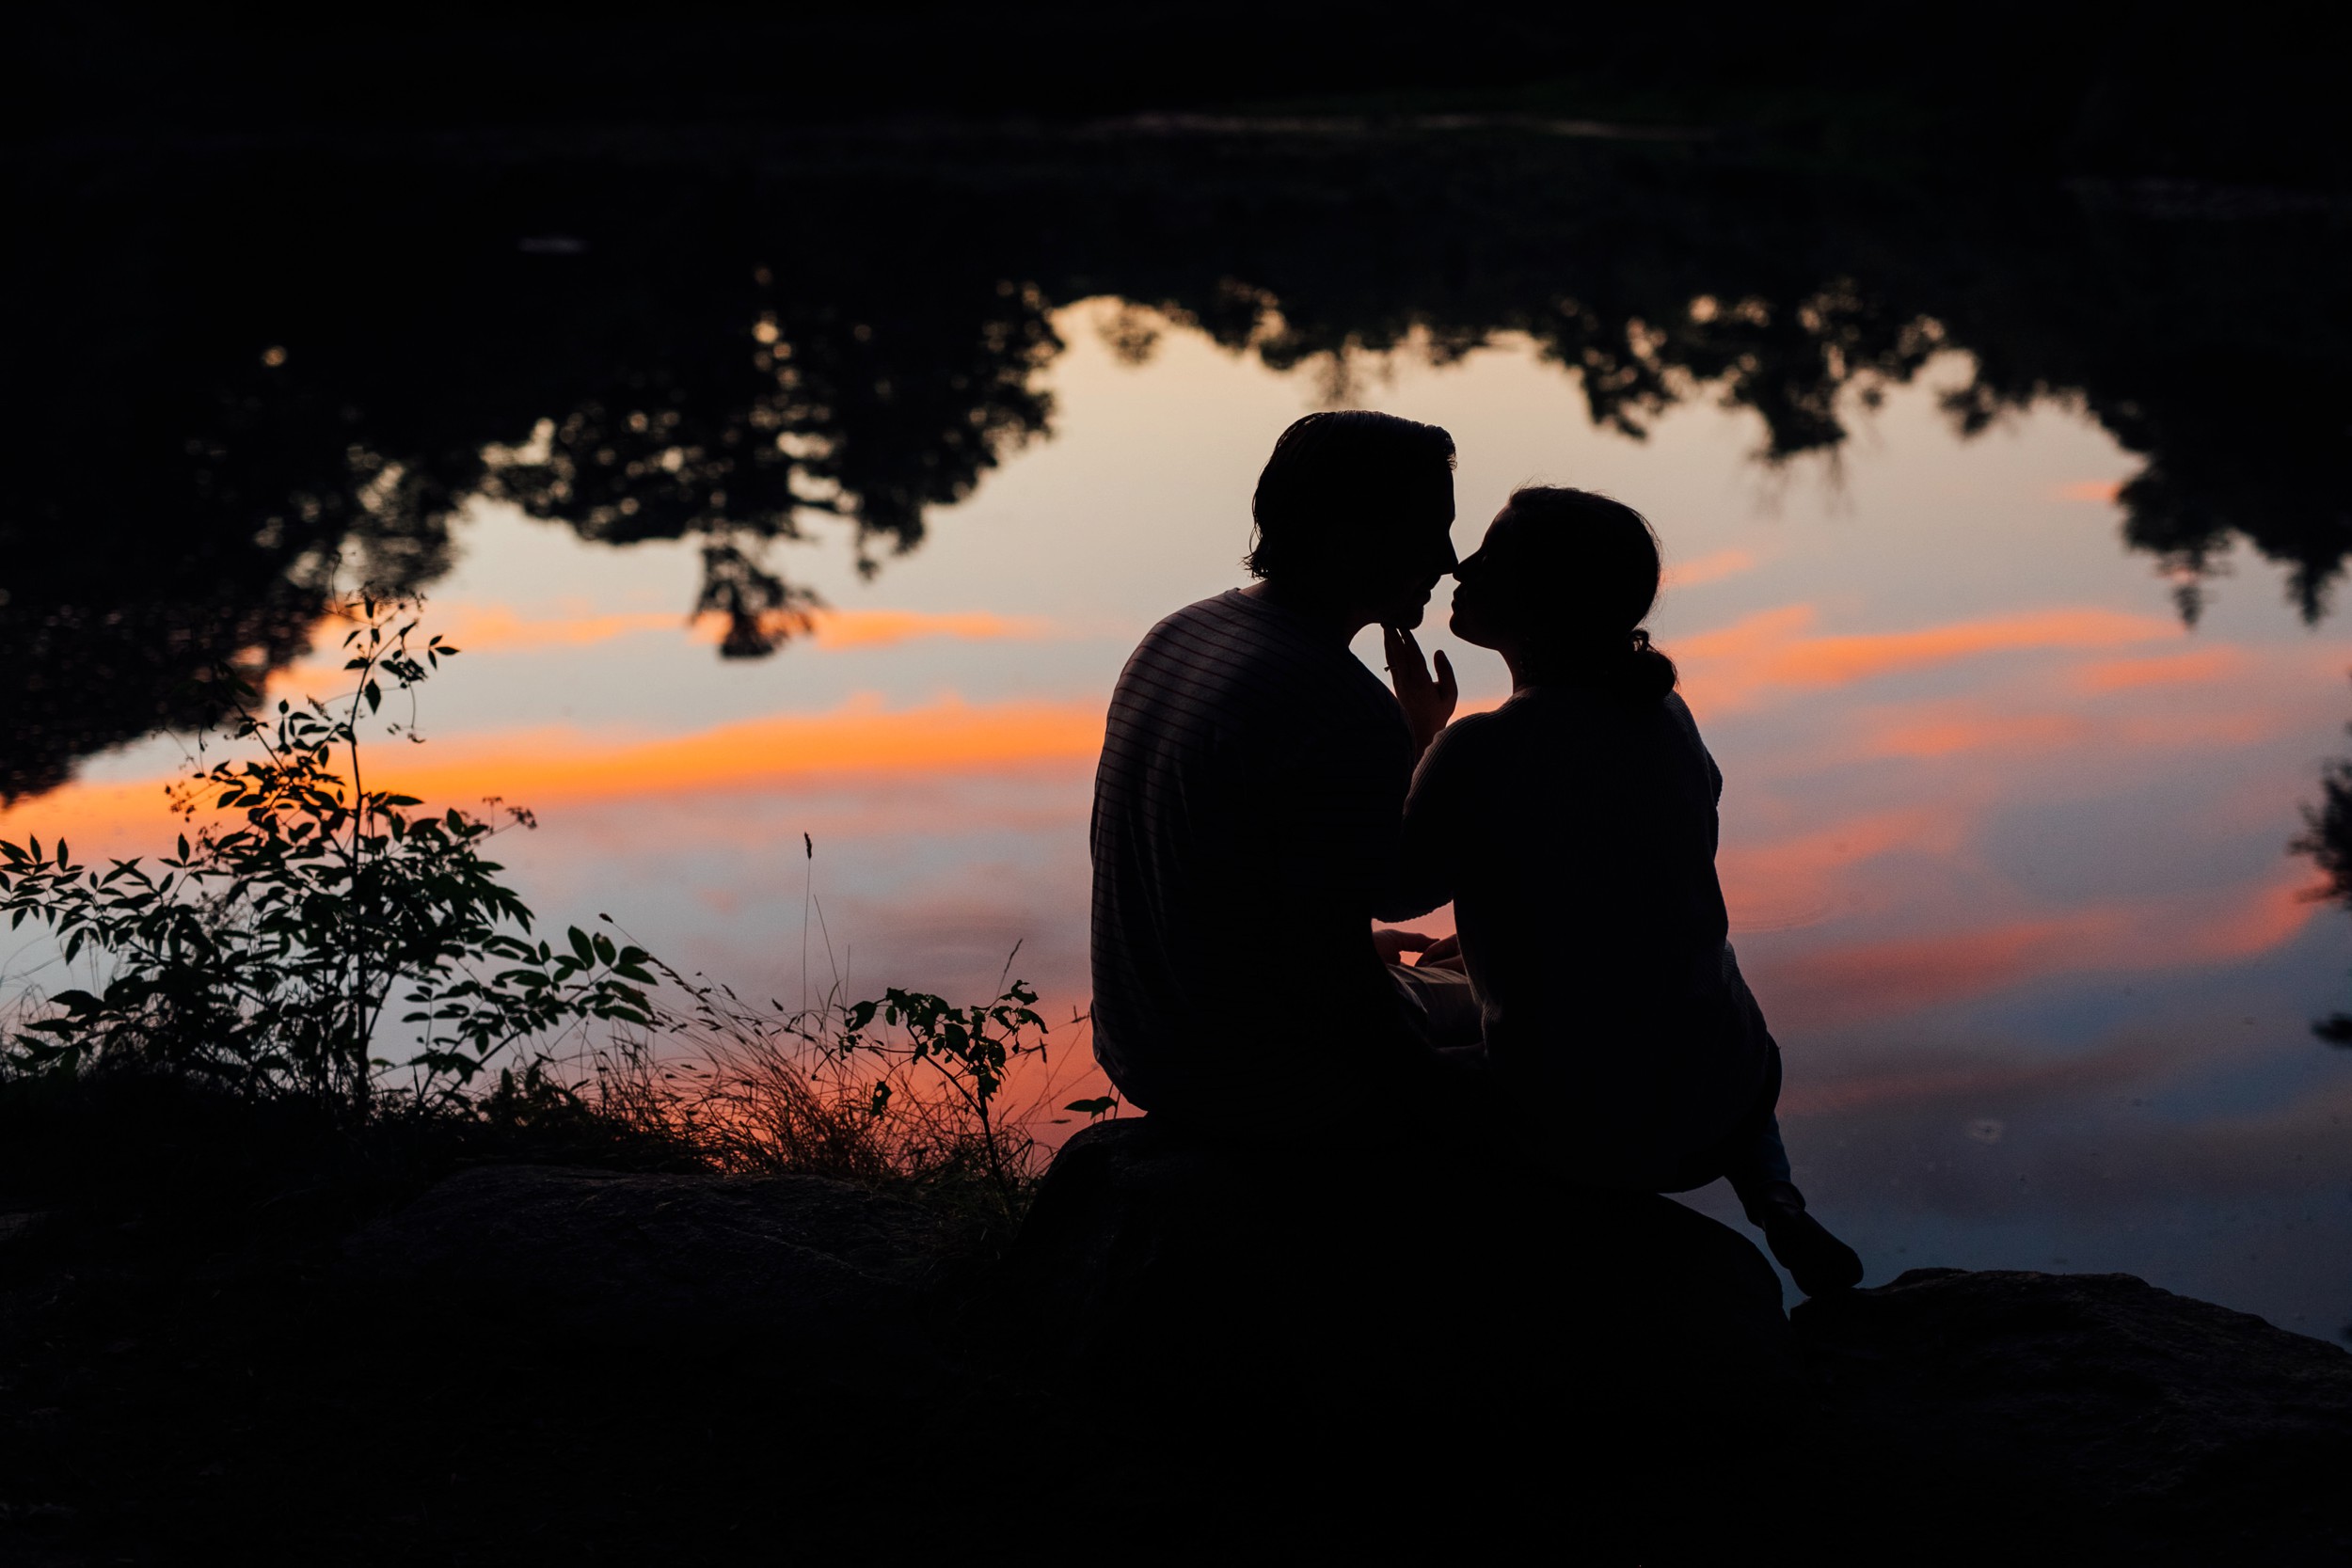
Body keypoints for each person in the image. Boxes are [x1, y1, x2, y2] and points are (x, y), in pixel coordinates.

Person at [1388, 484, 1864, 1295]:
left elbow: (1394, 887)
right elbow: (1624, 885)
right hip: (1727, 1103)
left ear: (1543, 601)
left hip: (1579, 1129)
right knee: (1696, 985)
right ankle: (1776, 1201)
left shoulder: (1482, 747)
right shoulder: (1666, 715)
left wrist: (1419, 735)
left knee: (1372, 1035)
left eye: (1493, 557)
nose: (1462, 567)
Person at [1089, 410, 1464, 1136]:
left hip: (1146, 1045)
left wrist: (1407, 739)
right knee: (1576, 1008)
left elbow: (1274, 872)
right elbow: (1400, 887)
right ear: (1354, 532)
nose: (1448, 559)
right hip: (1260, 1075)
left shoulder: (1180, 631)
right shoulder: (1332, 698)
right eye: (1428, 530)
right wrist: (1438, 752)